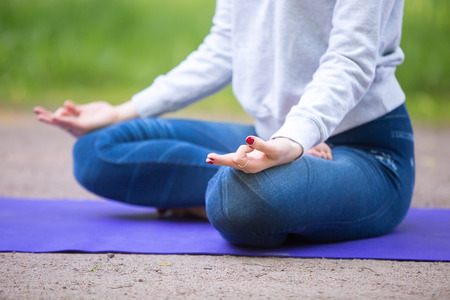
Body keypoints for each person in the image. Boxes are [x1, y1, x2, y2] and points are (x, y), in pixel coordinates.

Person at [34, 0, 414, 248]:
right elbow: (224, 46)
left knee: (241, 202)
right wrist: (123, 111)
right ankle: (239, 184)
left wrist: (293, 140)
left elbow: (350, 60)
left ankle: (236, 191)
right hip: (273, 141)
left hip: (368, 152)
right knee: (97, 150)